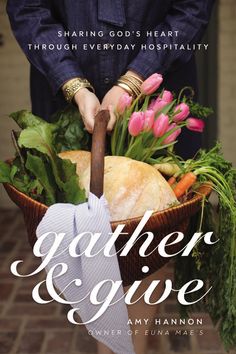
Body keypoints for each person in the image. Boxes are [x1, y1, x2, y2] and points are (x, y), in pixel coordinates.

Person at [7, 1, 215, 353]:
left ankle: (124, 345)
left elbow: (192, 8)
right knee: (84, 238)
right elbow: (27, 8)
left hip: (155, 95)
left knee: (147, 232)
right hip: (67, 103)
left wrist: (135, 80)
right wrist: (74, 84)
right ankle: (114, 332)